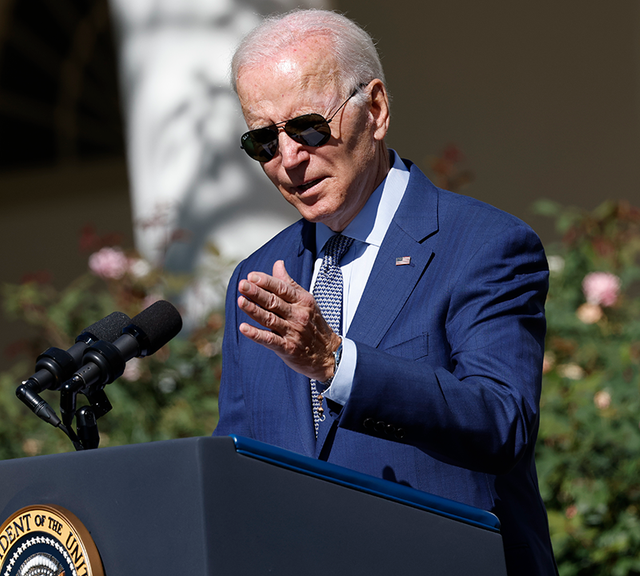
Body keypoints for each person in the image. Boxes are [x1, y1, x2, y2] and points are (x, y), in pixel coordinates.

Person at [213, 9, 557, 576]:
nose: (290, 159)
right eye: (262, 141)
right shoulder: (259, 278)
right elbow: (239, 468)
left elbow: (503, 421)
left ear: (374, 110)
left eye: (307, 127)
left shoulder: (483, 245)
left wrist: (336, 362)